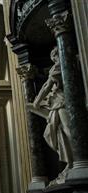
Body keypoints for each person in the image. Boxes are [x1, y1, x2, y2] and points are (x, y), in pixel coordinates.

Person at [32, 46, 73, 184]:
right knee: (54, 132)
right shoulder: (60, 65)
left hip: (62, 101)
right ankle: (72, 162)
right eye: (53, 58)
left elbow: (47, 86)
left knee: (67, 130)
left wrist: (37, 102)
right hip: (56, 103)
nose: (54, 60)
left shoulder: (61, 65)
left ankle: (79, 159)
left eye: (54, 57)